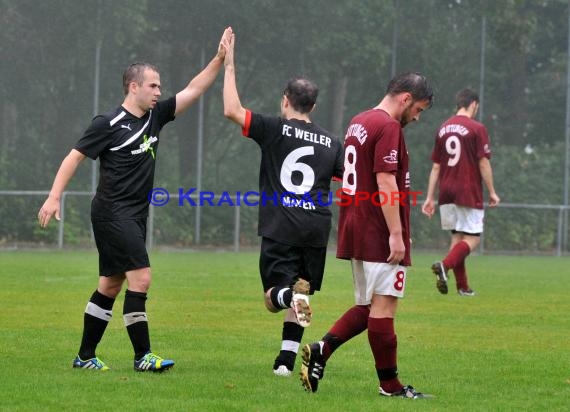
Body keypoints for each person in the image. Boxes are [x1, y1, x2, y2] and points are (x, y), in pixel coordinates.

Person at [37, 27, 233, 372]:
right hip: (113, 212)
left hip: (134, 214)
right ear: (133, 87)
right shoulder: (108, 123)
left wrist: (219, 59)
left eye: (159, 86)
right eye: (153, 85)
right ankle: (143, 356)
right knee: (141, 277)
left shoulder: (156, 117)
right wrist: (55, 197)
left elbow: (194, 89)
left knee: (111, 285)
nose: (159, 91)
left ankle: (84, 357)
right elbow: (74, 157)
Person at [300, 72, 433, 399]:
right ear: (405, 99)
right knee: (385, 308)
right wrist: (397, 234)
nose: (417, 116)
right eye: (418, 109)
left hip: (356, 225)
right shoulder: (388, 126)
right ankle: (391, 386)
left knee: (369, 304)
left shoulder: (359, 121)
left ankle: (322, 349)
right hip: (378, 228)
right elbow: (386, 180)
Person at [222, 30, 344, 377]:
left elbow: (232, 109)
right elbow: (348, 181)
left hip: (281, 226)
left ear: (285, 100)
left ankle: (287, 299)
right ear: (314, 106)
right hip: (316, 228)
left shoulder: (274, 128)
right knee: (302, 292)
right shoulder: (331, 142)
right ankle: (284, 364)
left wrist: (229, 64)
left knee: (274, 297)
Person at [421, 88, 500, 296]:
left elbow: (436, 167)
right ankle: (444, 266)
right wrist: (492, 191)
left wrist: (430, 197)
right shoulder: (477, 128)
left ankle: (462, 287)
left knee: (457, 240)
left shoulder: (443, 128)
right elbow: (483, 163)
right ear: (473, 104)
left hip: (446, 191)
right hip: (468, 189)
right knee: (473, 239)